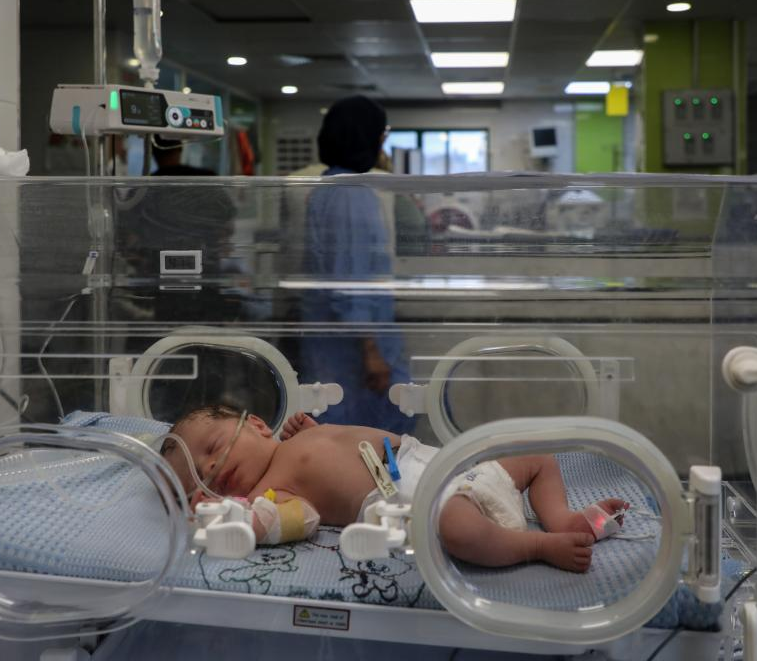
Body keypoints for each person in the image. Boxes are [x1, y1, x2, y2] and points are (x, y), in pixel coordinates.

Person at [160, 405, 626, 573]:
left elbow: (342, 452)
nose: (212, 467)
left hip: (454, 466)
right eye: (197, 480)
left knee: (538, 456)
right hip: (431, 505)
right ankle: (539, 544)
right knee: (458, 530)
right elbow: (300, 520)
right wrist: (226, 514)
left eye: (214, 447)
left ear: (257, 425)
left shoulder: (295, 441)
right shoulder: (272, 494)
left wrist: (317, 430)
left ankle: (564, 518)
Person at [298, 96, 414, 434]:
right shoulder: (352, 193)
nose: (383, 142)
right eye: (382, 133)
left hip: (336, 345)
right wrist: (371, 350)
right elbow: (351, 281)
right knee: (363, 433)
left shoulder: (330, 185)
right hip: (353, 352)